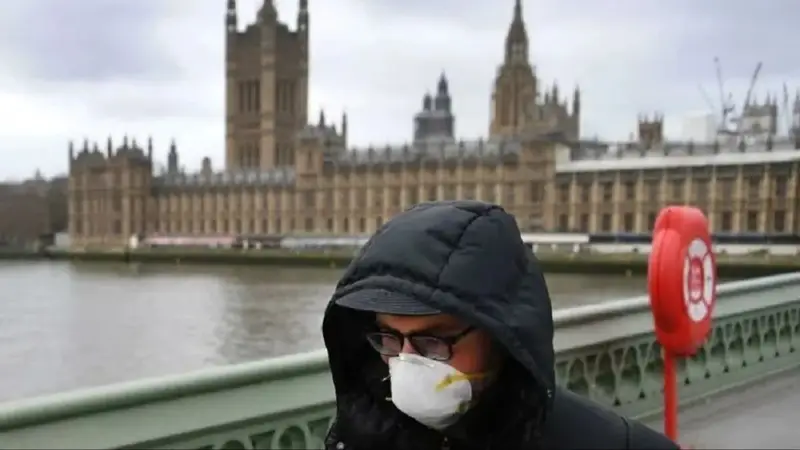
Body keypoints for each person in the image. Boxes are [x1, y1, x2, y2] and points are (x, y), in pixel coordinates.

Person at [321, 200, 679, 450]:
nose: (406, 361)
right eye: (388, 339)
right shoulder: (359, 438)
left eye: (433, 342)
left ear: (497, 333)